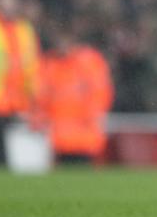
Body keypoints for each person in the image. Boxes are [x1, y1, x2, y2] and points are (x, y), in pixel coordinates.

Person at [38, 32, 114, 164]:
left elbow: (100, 93)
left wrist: (92, 115)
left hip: (83, 134)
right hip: (60, 136)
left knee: (80, 171)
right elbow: (41, 96)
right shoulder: (49, 64)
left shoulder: (87, 62)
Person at [0, 0, 42, 164]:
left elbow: (31, 69)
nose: (9, 1)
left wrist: (33, 101)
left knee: (10, 161)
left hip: (16, 105)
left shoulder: (24, 30)